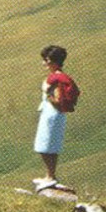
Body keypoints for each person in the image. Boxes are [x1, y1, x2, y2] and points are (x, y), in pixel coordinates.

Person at [33, 44, 76, 192]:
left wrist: (47, 93)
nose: (44, 63)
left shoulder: (56, 79)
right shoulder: (58, 77)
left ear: (53, 61)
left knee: (46, 146)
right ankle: (49, 176)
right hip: (52, 114)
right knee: (48, 146)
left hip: (52, 114)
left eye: (46, 60)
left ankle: (50, 177)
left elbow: (58, 102)